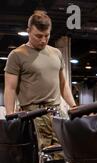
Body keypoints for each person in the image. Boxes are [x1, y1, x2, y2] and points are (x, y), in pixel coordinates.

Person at [4, 11, 76, 151]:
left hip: (56, 113)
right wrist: (10, 117)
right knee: (39, 156)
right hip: (33, 115)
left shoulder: (56, 53)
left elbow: (63, 84)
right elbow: (10, 88)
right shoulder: (17, 55)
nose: (43, 40)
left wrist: (73, 106)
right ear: (28, 31)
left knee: (62, 154)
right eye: (38, 36)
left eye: (46, 36)